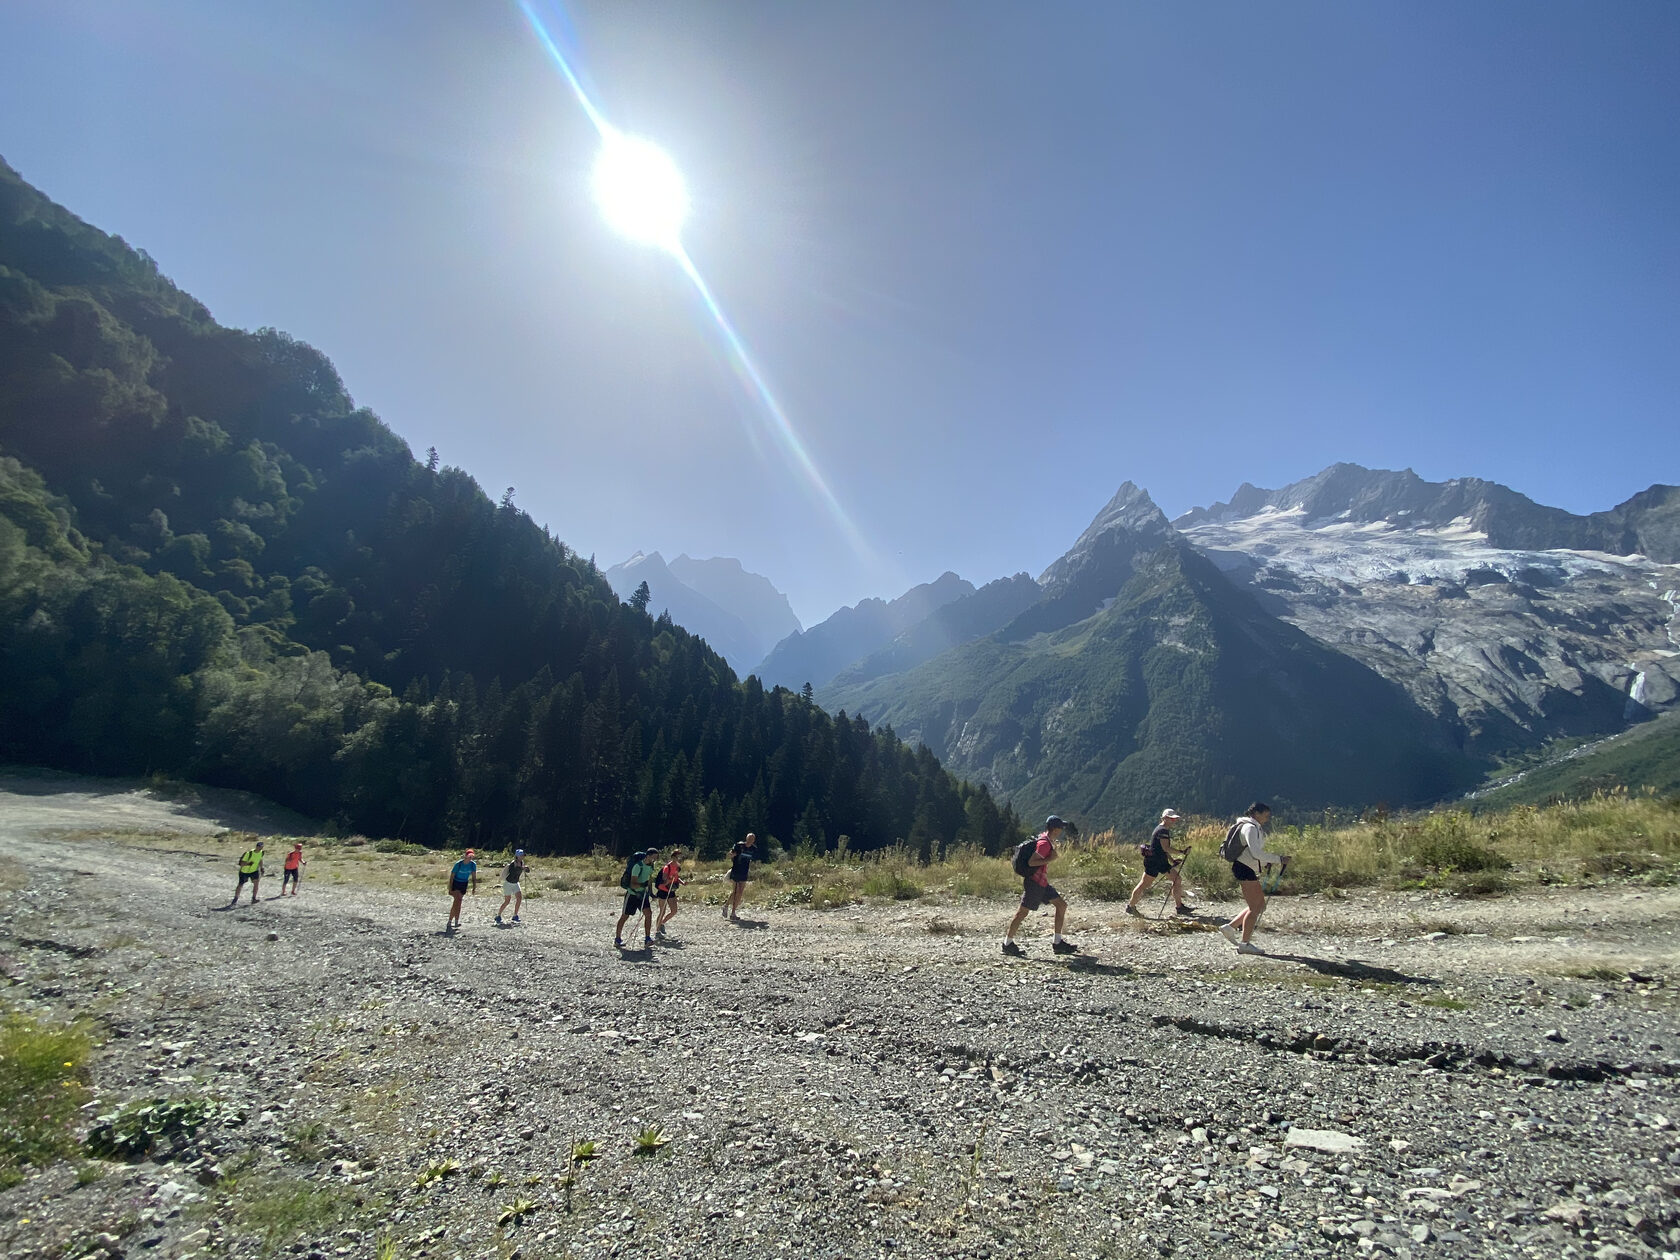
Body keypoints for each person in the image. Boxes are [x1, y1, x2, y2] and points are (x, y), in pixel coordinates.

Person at [1219, 802, 1289, 956]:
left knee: (1260, 905)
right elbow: (1256, 852)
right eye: (1266, 815)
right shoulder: (1250, 828)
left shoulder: (1249, 826)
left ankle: (1230, 928)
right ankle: (1244, 944)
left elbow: (1253, 853)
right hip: (1244, 869)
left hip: (1244, 868)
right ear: (1256, 814)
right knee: (1255, 908)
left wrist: (1267, 862)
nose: (1267, 818)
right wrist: (1279, 859)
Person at [1003, 816, 1078, 957]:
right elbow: (1032, 862)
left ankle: (1058, 943)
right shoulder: (1044, 844)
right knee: (1022, 913)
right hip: (1035, 884)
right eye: (1060, 827)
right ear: (1055, 829)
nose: (1062, 829)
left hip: (1041, 883)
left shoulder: (1044, 839)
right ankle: (1007, 944)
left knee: (1061, 905)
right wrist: (1051, 858)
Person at [1125, 808, 1192, 917]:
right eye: (1171, 819)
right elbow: (1166, 848)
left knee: (1177, 879)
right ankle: (1131, 906)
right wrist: (1182, 852)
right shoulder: (1163, 831)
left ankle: (1179, 907)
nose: (1173, 821)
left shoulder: (1161, 829)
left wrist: (1172, 861)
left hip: (1159, 861)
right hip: (1155, 862)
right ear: (1165, 818)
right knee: (1144, 884)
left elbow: (1162, 849)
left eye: (1174, 819)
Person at [615, 850, 658, 949]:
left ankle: (647, 939)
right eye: (653, 857)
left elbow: (649, 879)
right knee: (625, 916)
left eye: (656, 858)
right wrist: (642, 885)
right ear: (647, 856)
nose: (655, 860)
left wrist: (651, 893)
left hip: (643, 895)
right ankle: (617, 939)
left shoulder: (651, 866)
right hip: (632, 895)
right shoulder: (637, 866)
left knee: (648, 914)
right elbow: (632, 883)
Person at [723, 833, 758, 921]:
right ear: (746, 838)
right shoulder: (739, 845)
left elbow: (752, 859)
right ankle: (727, 906)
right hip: (736, 870)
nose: (750, 840)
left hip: (744, 872)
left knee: (740, 892)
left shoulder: (753, 848)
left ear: (753, 840)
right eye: (749, 838)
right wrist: (732, 855)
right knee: (735, 891)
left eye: (752, 839)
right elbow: (730, 854)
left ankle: (733, 912)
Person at [446, 849, 478, 932]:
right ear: (465, 856)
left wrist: (474, 887)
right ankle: (450, 921)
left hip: (464, 883)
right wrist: (450, 887)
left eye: (471, 856)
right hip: (456, 882)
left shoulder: (473, 865)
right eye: (469, 856)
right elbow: (452, 876)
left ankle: (455, 921)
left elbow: (474, 877)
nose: (470, 858)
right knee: (457, 900)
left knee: (459, 902)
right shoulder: (458, 864)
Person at [654, 848, 684, 937]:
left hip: (671, 890)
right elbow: (664, 881)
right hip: (663, 890)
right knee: (662, 911)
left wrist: (683, 883)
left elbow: (677, 878)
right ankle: (657, 930)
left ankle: (662, 923)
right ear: (673, 857)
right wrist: (670, 879)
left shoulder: (677, 867)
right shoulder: (667, 867)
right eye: (678, 856)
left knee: (674, 910)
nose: (679, 858)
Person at [496, 849, 527, 925]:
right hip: (508, 884)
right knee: (507, 901)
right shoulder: (512, 864)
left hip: (516, 883)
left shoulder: (522, 863)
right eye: (521, 855)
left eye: (522, 855)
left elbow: (521, 870)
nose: (522, 856)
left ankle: (515, 915)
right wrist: (522, 868)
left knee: (519, 898)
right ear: (517, 856)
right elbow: (513, 871)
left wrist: (526, 869)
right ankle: (498, 915)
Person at [232, 841, 265, 906]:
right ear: (257, 847)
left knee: (256, 883)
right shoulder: (248, 853)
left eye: (262, 847)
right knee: (240, 885)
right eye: (260, 847)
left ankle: (253, 898)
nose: (261, 849)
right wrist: (248, 864)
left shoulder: (261, 853)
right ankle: (235, 899)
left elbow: (260, 860)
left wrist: (261, 868)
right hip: (244, 872)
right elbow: (241, 864)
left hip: (254, 871)